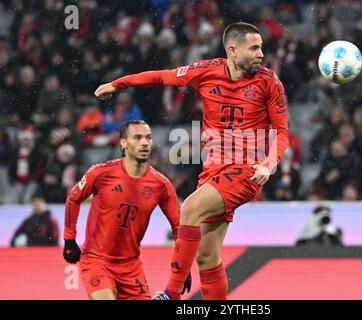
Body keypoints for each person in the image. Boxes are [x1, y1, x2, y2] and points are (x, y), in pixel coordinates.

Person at [94, 22, 289, 300]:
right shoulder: (206, 71)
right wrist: (117, 83)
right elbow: (162, 77)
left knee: (190, 208)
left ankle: (171, 294)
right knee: (207, 257)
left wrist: (268, 164)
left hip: (245, 170)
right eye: (254, 48)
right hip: (213, 170)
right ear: (232, 50)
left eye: (261, 47)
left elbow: (281, 132)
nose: (261, 53)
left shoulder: (270, 82)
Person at [62, 120, 190, 300]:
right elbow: (73, 198)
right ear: (123, 143)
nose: (144, 143)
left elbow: (180, 227)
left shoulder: (161, 185)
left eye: (148, 138)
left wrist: (182, 267)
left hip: (131, 268)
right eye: (137, 138)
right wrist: (69, 239)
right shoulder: (101, 173)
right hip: (97, 261)